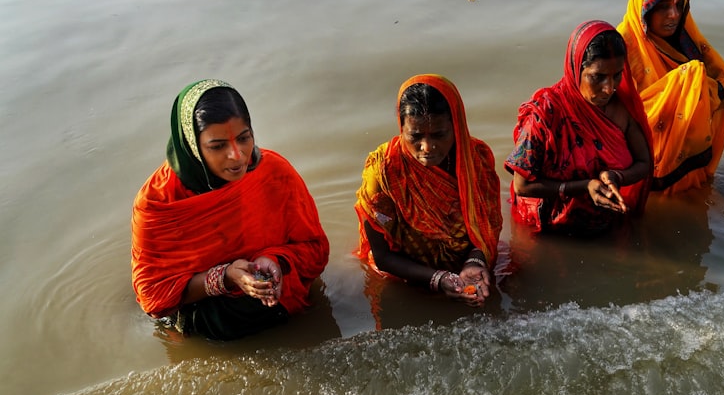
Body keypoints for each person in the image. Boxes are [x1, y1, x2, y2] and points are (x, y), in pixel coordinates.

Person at [131, 79, 330, 341]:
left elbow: (315, 249)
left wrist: (275, 260)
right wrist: (224, 278)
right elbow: (153, 296)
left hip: (278, 303)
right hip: (207, 324)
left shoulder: (273, 173)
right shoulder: (158, 203)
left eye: (244, 138)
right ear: (192, 146)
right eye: (218, 146)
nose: (237, 156)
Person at [355, 74, 503, 307]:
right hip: (406, 278)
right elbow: (383, 257)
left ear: (456, 126)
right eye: (415, 136)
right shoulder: (384, 171)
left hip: (467, 270)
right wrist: (438, 278)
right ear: (401, 128)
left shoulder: (477, 160)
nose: (427, 147)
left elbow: (487, 226)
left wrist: (475, 261)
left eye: (439, 135)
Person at [506, 20, 653, 236]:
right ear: (576, 69)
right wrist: (583, 186)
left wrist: (616, 177)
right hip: (549, 231)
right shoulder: (545, 114)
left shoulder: (622, 110)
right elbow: (522, 186)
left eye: (616, 76)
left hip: (605, 223)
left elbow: (644, 163)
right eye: (598, 77)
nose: (609, 88)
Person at [618, 0, 724, 194]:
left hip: (689, 163)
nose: (673, 14)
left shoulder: (685, 40)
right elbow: (615, 117)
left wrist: (694, 82)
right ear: (644, 8)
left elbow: (723, 83)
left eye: (679, 5)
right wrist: (685, 83)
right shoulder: (621, 49)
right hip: (642, 173)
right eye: (662, 6)